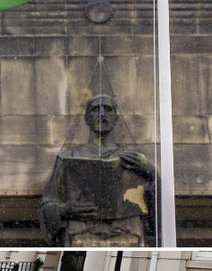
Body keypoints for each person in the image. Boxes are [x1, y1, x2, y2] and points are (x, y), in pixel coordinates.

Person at [39, 95, 157, 247]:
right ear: (86, 118)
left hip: (127, 236)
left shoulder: (135, 161)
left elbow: (158, 216)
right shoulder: (68, 158)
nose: (102, 114)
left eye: (107, 109)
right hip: (83, 236)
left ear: (115, 118)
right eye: (95, 109)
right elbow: (47, 205)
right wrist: (63, 210)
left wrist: (151, 173)